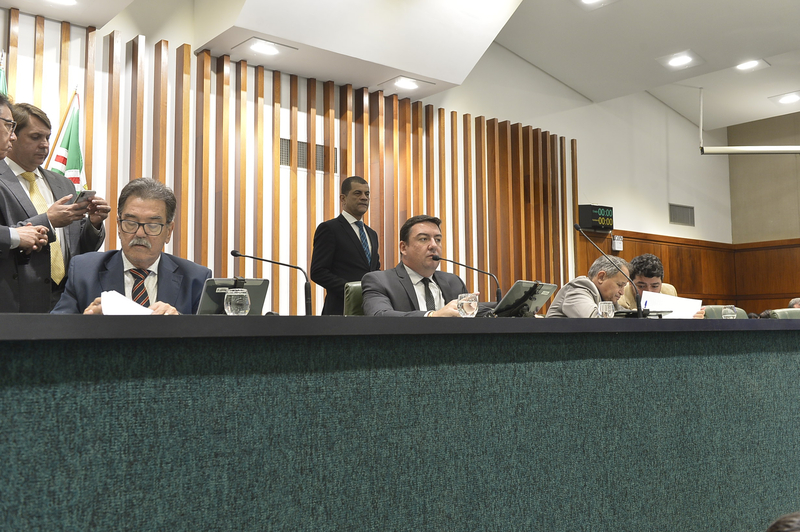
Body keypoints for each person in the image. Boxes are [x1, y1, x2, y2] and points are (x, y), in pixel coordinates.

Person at [0, 102, 109, 312]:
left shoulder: (62, 183)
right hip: (17, 302)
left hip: (67, 299)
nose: (45, 145)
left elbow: (79, 247)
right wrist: (48, 221)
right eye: (35, 137)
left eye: (47, 137)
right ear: (13, 136)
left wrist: (94, 224)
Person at [52, 178, 211, 315]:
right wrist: (86, 323)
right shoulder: (84, 271)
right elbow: (56, 329)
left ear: (169, 231)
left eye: (152, 225)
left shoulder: (196, 279)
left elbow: (210, 337)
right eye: (131, 222)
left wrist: (180, 322)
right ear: (119, 226)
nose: (140, 233)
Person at [361, 214, 466, 317]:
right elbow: (379, 315)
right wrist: (432, 315)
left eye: (437, 239)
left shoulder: (454, 282)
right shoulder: (380, 281)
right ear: (403, 248)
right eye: (424, 239)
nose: (434, 245)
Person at [310, 176, 380, 314]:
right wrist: (351, 291)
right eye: (357, 193)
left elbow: (374, 269)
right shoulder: (330, 229)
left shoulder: (372, 234)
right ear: (343, 198)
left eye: (367, 194)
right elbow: (318, 272)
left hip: (370, 310)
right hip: (340, 310)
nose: (364, 198)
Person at [618, 253, 705, 319]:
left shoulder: (669, 291)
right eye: (641, 286)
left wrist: (693, 319)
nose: (649, 291)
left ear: (661, 283)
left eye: (655, 286)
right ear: (630, 282)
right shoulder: (619, 297)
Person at [545, 255, 630, 318]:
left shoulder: (607, 299)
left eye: (624, 286)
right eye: (619, 285)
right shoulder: (578, 288)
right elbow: (593, 322)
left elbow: (624, 315)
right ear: (601, 277)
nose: (622, 292)